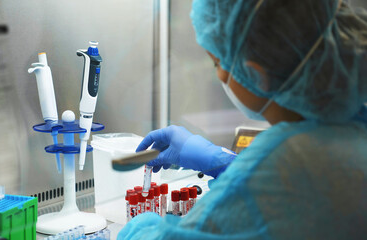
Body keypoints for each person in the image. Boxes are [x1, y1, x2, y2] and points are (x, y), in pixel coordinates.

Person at [118, 0, 367, 239]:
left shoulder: (282, 166)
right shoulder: (353, 119)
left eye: (217, 62)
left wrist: (140, 225)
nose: (220, 74)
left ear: (255, 74)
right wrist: (226, 163)